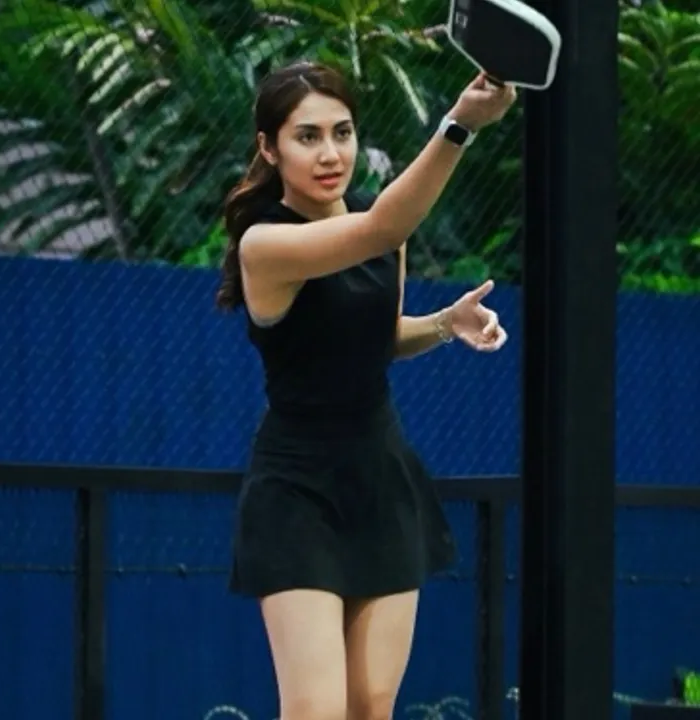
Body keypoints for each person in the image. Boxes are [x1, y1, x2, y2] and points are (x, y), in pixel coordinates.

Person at [217, 60, 516, 720]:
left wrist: (445, 323)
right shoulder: (265, 244)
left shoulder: (380, 229)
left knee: (371, 707)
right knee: (317, 710)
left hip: (380, 476)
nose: (331, 154)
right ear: (270, 147)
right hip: (297, 491)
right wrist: (460, 124)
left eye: (343, 132)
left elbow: (377, 336)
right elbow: (383, 227)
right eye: (307, 137)